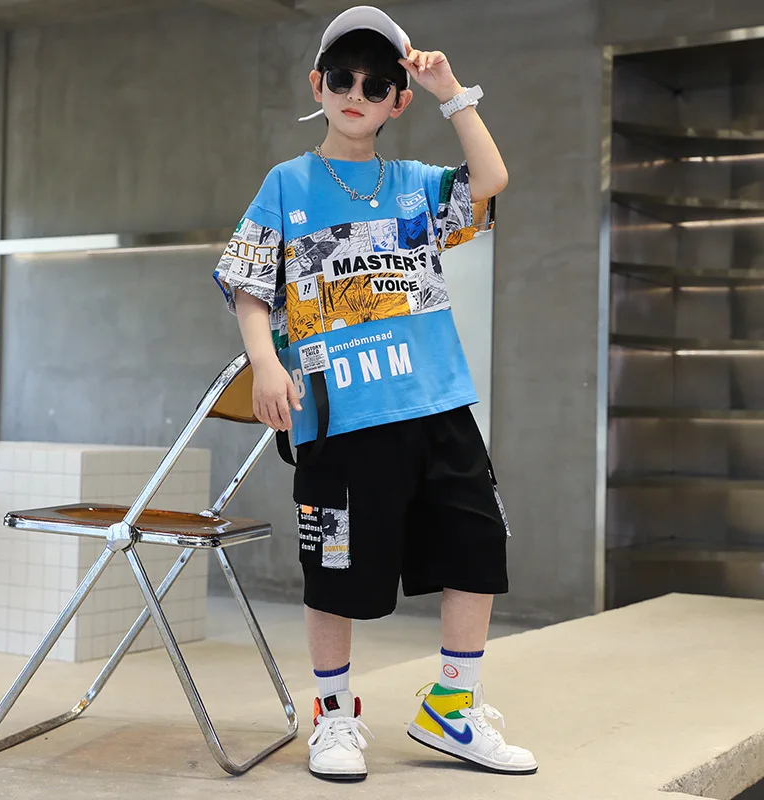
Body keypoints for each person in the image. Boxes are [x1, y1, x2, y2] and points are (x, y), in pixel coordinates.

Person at [213, 4, 537, 782]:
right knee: (336, 571)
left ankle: (451, 709)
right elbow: (249, 286)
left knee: (476, 551)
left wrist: (452, 93)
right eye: (342, 78)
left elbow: (491, 181)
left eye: (377, 83)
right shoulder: (287, 183)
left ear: (398, 100)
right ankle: (333, 716)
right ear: (317, 85)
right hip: (341, 417)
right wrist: (265, 364)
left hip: (438, 406)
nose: (356, 92)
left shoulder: (416, 185)